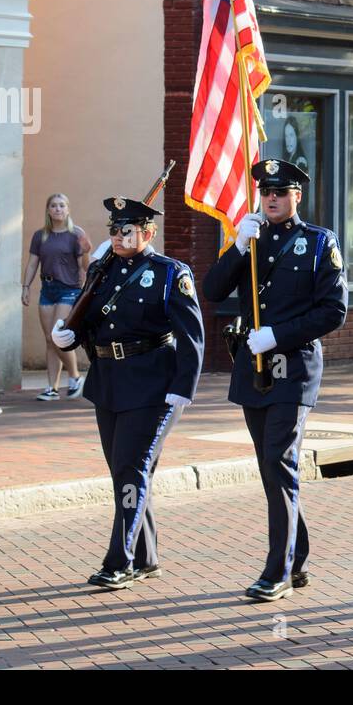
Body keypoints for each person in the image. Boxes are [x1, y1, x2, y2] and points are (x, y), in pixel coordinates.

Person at [204, 159, 347, 602]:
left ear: (296, 197)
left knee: (279, 461)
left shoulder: (319, 242)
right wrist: (236, 247)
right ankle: (297, 555)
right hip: (253, 366)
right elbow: (212, 291)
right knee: (271, 467)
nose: (272, 199)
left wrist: (279, 335)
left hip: (294, 366)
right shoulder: (251, 236)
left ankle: (278, 570)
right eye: (266, 192)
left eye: (281, 192)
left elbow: (333, 311)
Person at [51, 195, 204, 590]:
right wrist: (69, 337)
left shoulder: (170, 273)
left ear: (148, 232)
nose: (118, 237)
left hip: (152, 386)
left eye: (127, 230)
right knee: (125, 472)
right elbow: (90, 323)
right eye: (114, 230)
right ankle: (146, 556)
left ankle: (119, 560)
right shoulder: (103, 270)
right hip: (108, 383)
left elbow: (192, 338)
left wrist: (182, 390)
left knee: (131, 470)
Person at [22, 193, 93, 401]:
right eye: (53, 206)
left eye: (62, 205)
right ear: (48, 210)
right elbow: (33, 263)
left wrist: (87, 251)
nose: (58, 209)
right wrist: (26, 286)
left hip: (69, 289)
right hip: (48, 289)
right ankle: (51, 388)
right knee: (49, 340)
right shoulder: (40, 235)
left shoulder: (75, 234)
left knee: (57, 336)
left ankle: (75, 376)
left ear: (68, 209)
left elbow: (86, 267)